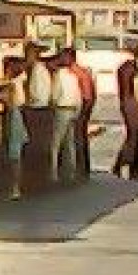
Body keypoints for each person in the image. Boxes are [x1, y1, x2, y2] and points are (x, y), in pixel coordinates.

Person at [20, 42, 54, 188]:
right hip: (39, 109)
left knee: (36, 143)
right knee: (37, 142)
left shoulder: (38, 70)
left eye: (28, 54)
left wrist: (28, 103)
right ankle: (38, 174)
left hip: (37, 110)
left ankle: (37, 175)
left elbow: (39, 93)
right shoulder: (36, 69)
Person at [112, 40, 138, 179]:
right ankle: (129, 166)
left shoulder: (121, 67)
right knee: (135, 136)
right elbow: (137, 88)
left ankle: (123, 165)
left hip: (124, 101)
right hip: (133, 102)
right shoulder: (134, 67)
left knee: (131, 134)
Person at [51, 48, 83, 183]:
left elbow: (55, 94)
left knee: (56, 143)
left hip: (62, 108)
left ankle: (53, 172)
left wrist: (52, 105)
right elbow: (78, 95)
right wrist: (78, 111)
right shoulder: (74, 75)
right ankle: (72, 171)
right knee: (70, 142)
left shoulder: (59, 74)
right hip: (73, 109)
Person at [1, 55, 28, 199]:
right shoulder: (21, 80)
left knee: (14, 154)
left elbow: (9, 101)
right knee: (16, 153)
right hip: (19, 114)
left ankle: (15, 187)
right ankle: (16, 186)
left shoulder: (12, 84)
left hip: (15, 115)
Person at [70, 50, 97, 182]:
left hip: (81, 107)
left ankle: (80, 168)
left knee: (78, 138)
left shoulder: (76, 72)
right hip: (86, 105)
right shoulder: (83, 71)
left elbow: (86, 94)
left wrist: (82, 112)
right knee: (81, 138)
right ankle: (84, 168)